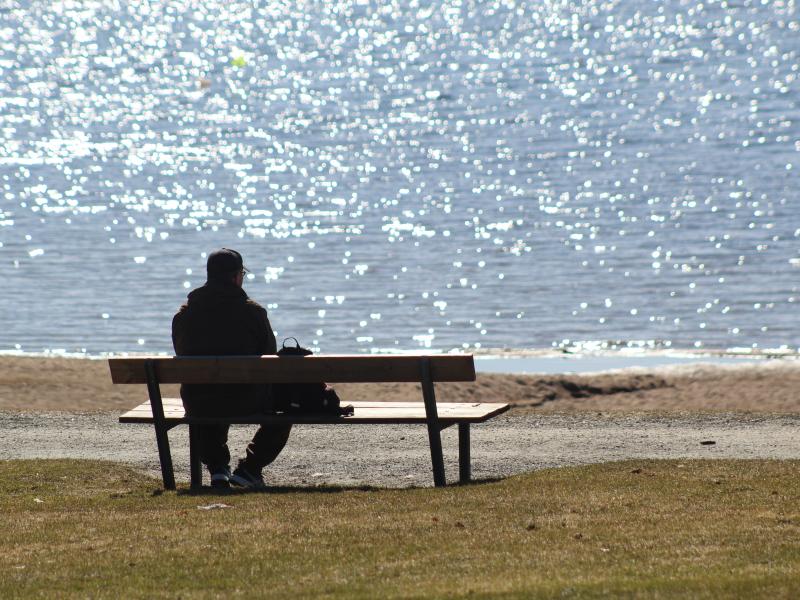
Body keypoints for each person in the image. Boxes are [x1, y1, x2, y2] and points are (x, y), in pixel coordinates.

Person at [172, 248, 291, 489]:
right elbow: (270, 358)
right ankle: (250, 468)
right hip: (248, 400)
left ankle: (217, 469)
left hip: (200, 402)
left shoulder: (185, 315)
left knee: (205, 395)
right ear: (237, 276)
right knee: (287, 407)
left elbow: (181, 353)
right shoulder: (253, 312)